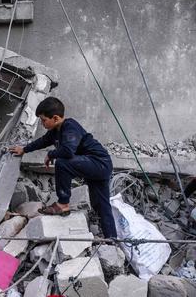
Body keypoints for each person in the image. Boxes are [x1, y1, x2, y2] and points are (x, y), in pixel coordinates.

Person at [9, 97, 117, 238]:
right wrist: (24, 149)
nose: (42, 123)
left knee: (62, 162)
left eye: (43, 120)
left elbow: (68, 151)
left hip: (99, 163)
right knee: (101, 205)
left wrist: (51, 154)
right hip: (97, 166)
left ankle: (63, 204)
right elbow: (42, 141)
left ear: (55, 118)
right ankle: (112, 239)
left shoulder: (70, 127)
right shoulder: (55, 130)